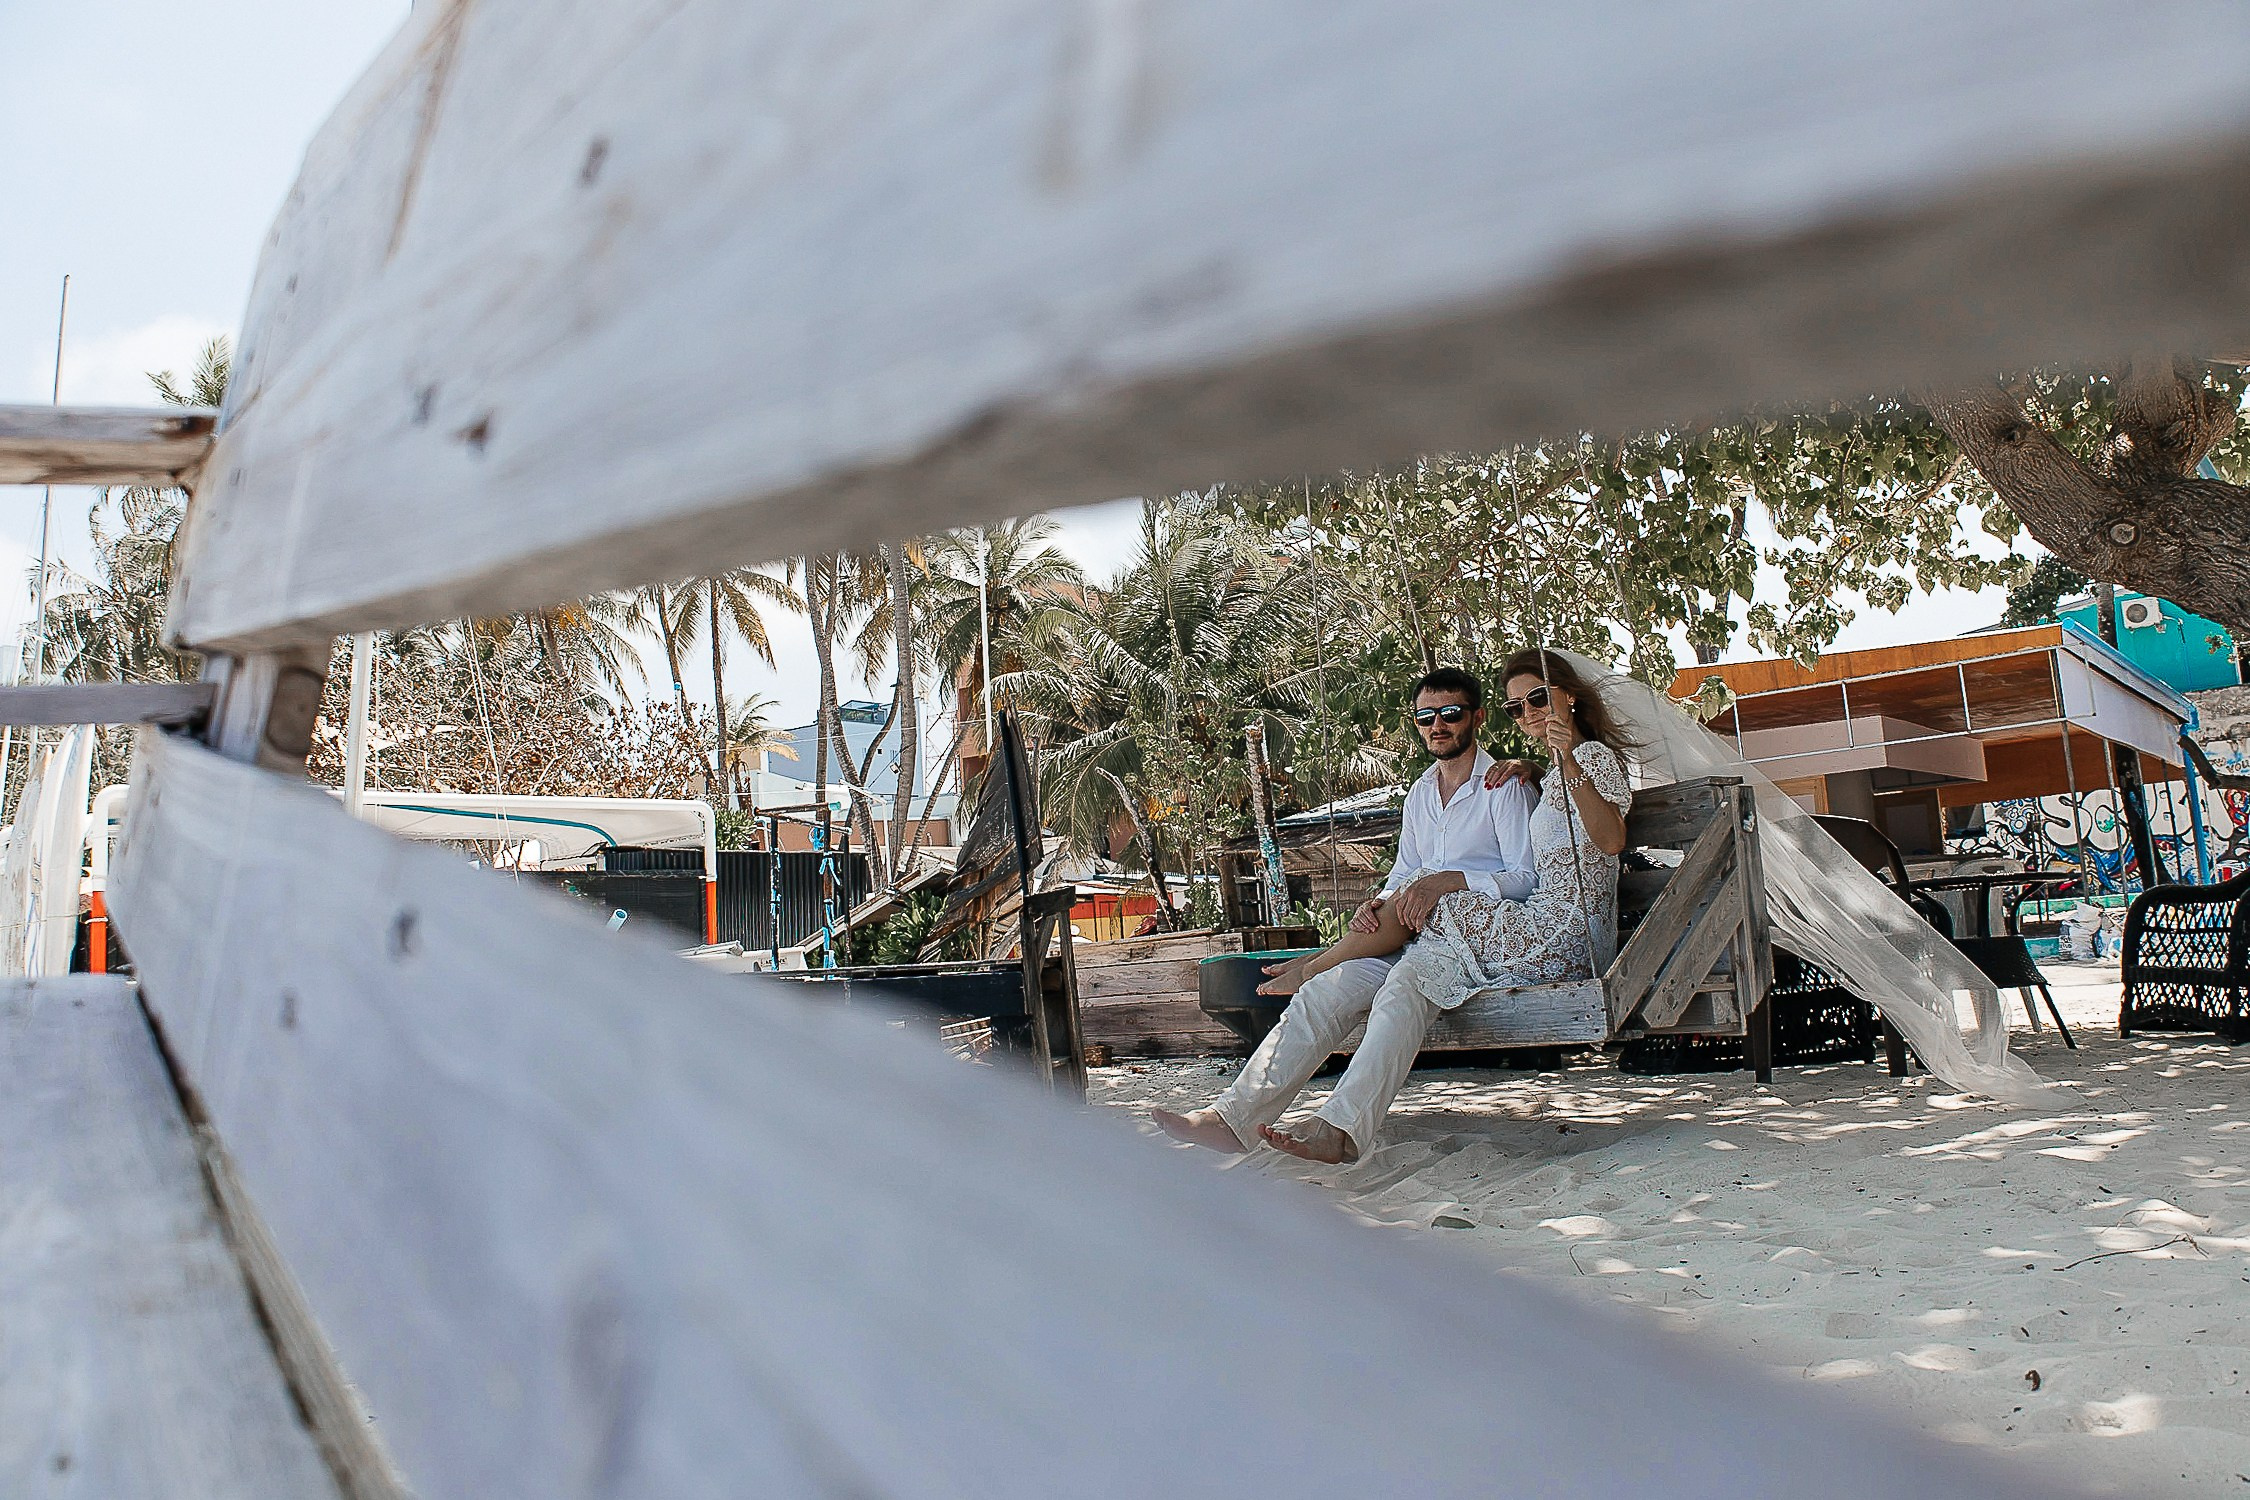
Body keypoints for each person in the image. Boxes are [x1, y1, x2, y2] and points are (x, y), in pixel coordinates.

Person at [1150, 666, 1539, 1160]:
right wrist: (1376, 905)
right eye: (1425, 716)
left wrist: (1447, 882)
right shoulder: (1421, 792)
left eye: (1450, 713)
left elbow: (1526, 880)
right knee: (1323, 992)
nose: (1437, 725)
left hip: (1473, 941)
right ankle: (1232, 1119)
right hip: (1409, 935)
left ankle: (1342, 1130)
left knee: (1402, 989)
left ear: (1476, 717)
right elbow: (1404, 873)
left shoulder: (1503, 787)